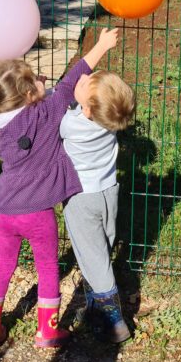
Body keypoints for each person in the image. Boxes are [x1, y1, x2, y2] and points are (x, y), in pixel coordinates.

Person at [0, 28, 119, 349]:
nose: (43, 78)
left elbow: (60, 85)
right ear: (28, 96)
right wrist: (101, 47)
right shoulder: (45, 113)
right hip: (38, 214)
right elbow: (72, 79)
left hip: (6, 213)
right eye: (37, 79)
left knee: (2, 266)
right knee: (48, 267)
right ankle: (48, 330)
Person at [60, 69, 136, 342]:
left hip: (81, 198)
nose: (79, 79)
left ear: (89, 110)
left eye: (84, 83)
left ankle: (114, 321)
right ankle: (95, 306)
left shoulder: (72, 124)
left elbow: (58, 119)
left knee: (93, 257)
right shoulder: (110, 124)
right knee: (102, 248)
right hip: (108, 192)